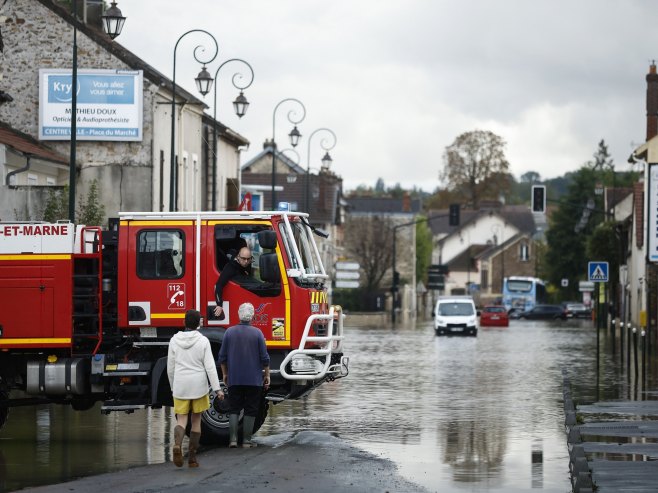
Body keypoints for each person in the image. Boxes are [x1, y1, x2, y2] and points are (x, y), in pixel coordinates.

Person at [167, 309, 223, 467]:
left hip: (181, 385)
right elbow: (210, 367)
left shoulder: (174, 340)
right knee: (196, 420)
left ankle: (177, 444)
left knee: (182, 419)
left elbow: (170, 368)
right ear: (199, 323)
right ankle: (192, 457)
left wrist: (173, 386)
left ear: (184, 322)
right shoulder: (203, 341)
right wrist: (217, 389)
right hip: (198, 386)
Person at [218, 302, 270, 448]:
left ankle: (233, 440)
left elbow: (222, 357)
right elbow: (264, 358)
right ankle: (247, 440)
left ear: (238, 315)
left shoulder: (229, 332)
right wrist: (267, 375)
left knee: (234, 408)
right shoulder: (258, 333)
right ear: (252, 316)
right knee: (251, 408)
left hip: (235, 378)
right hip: (254, 380)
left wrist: (225, 374)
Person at [213, 246, 252, 319]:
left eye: (248, 259)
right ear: (238, 257)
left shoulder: (247, 263)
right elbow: (218, 285)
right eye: (243, 259)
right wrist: (219, 305)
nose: (246, 261)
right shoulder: (230, 267)